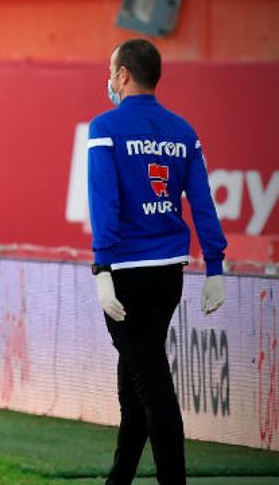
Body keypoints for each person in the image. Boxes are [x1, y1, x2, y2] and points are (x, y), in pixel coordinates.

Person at [87, 38, 227, 484]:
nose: (109, 80)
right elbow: (203, 204)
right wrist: (216, 266)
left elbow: (104, 204)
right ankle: (119, 479)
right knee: (135, 382)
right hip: (169, 274)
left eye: (111, 71)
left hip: (126, 275)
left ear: (124, 74)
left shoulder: (105, 127)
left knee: (152, 387)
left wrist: (102, 269)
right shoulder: (183, 131)